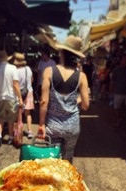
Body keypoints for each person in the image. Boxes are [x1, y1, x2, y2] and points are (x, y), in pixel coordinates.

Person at [38, 35, 89, 164]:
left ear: (62, 53)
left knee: (52, 161)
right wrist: (72, 101)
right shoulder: (81, 77)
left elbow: (44, 101)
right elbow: (85, 105)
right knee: (68, 159)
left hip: (52, 126)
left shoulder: (49, 71)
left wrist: (41, 124)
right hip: (72, 127)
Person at [0, 50, 23, 147]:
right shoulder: (13, 68)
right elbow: (15, 84)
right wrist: (20, 98)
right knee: (11, 120)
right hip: (11, 98)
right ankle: (11, 138)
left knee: (1, 118)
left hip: (0, 98)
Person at [110, 54, 126, 128]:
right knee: (117, 108)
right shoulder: (116, 70)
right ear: (121, 61)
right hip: (118, 92)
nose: (125, 62)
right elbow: (112, 81)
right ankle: (118, 121)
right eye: (124, 60)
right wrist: (111, 92)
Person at [12, 52, 35, 139]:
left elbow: (15, 84)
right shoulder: (28, 69)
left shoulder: (15, 71)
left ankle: (18, 132)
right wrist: (28, 86)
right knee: (28, 113)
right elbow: (32, 79)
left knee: (18, 114)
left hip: (19, 95)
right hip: (29, 92)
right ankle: (30, 131)